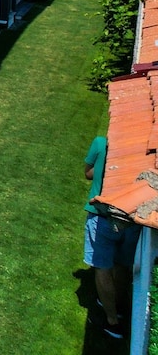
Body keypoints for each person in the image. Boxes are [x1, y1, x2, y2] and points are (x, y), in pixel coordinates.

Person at [84, 135, 140, 340]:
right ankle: (118, 306)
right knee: (121, 265)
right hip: (132, 219)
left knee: (102, 267)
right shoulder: (142, 149)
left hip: (103, 216)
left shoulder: (100, 143)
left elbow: (88, 173)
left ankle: (111, 320)